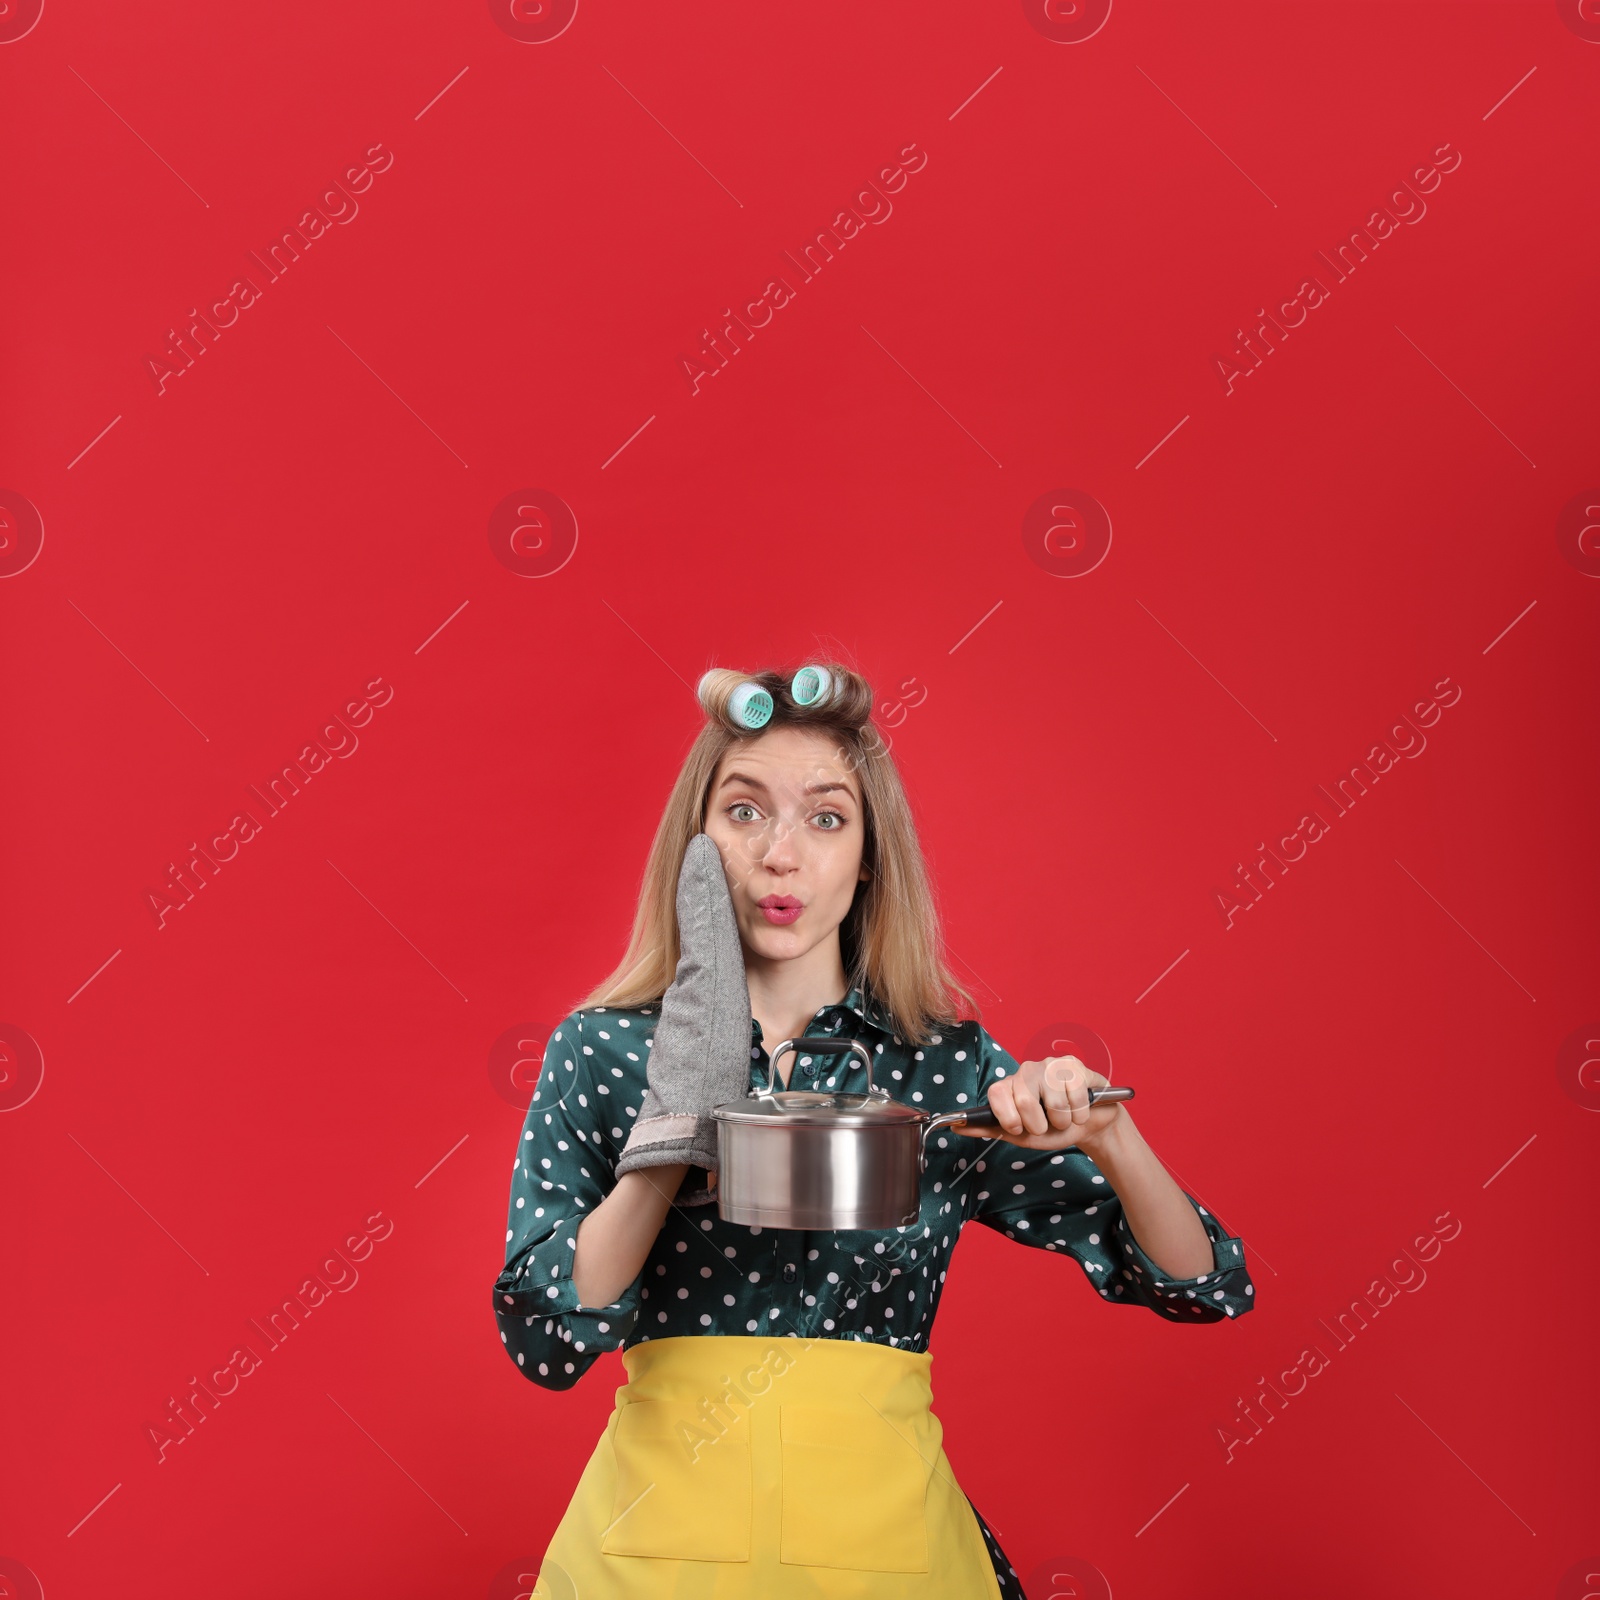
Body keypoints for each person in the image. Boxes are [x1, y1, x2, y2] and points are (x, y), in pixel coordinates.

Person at [493, 662, 1256, 1598]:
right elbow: (547, 1342)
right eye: (744, 811)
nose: (781, 855)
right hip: (652, 1563)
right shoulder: (605, 1050)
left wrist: (1110, 1136)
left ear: (867, 858)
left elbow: (1203, 1287)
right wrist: (674, 1127)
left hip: (890, 1563)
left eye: (825, 818)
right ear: (696, 843)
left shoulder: (942, 1067)